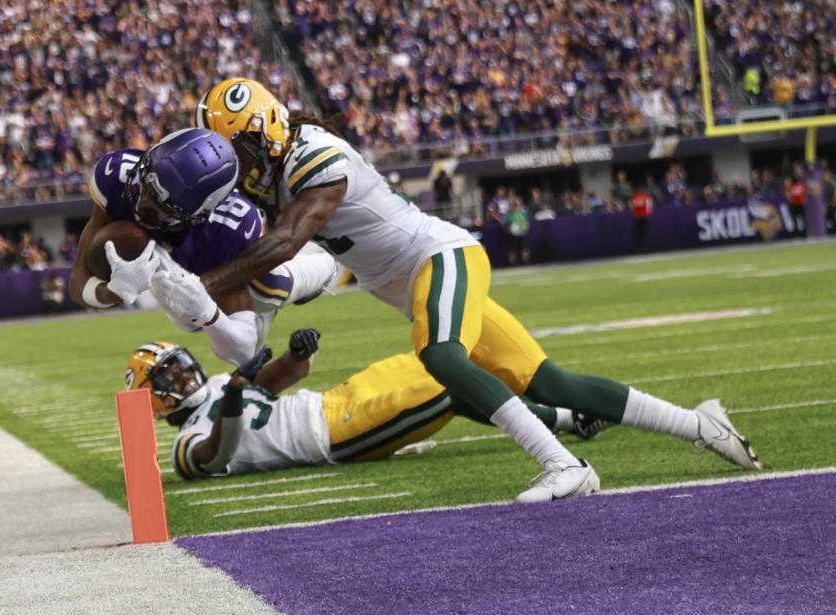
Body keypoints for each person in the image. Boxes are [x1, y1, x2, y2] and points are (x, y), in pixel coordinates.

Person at [186, 78, 761, 501]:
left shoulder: (316, 156)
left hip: (440, 257)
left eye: (233, 150)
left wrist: (201, 285)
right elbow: (285, 259)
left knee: (440, 356)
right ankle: (702, 424)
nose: (230, 165)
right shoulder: (277, 177)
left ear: (267, 132)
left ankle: (565, 465)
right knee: (553, 382)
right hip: (416, 281)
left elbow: (286, 243)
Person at [128, 334, 764, 486]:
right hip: (335, 433)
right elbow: (222, 451)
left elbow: (276, 379)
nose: (185, 372)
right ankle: (562, 453)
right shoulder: (186, 443)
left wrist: (294, 358)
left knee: (445, 357)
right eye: (170, 374)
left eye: (181, 363)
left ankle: (568, 420)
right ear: (156, 397)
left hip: (331, 400)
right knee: (449, 389)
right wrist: (237, 394)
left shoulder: (221, 385)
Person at [68, 127, 340, 363]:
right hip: (177, 271)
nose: (140, 205)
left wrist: (208, 311)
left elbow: (243, 351)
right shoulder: (117, 173)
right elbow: (78, 279)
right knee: (183, 313)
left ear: (198, 215)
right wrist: (112, 293)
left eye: (159, 207)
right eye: (143, 185)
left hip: (238, 277)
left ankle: (325, 264)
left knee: (270, 290)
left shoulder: (225, 230)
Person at [629, 186, 654, 254]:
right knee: (644, 235)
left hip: (636, 218)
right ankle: (644, 250)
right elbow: (650, 207)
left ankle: (637, 251)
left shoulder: (633, 197)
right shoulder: (646, 196)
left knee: (637, 235)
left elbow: (631, 207)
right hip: (645, 217)